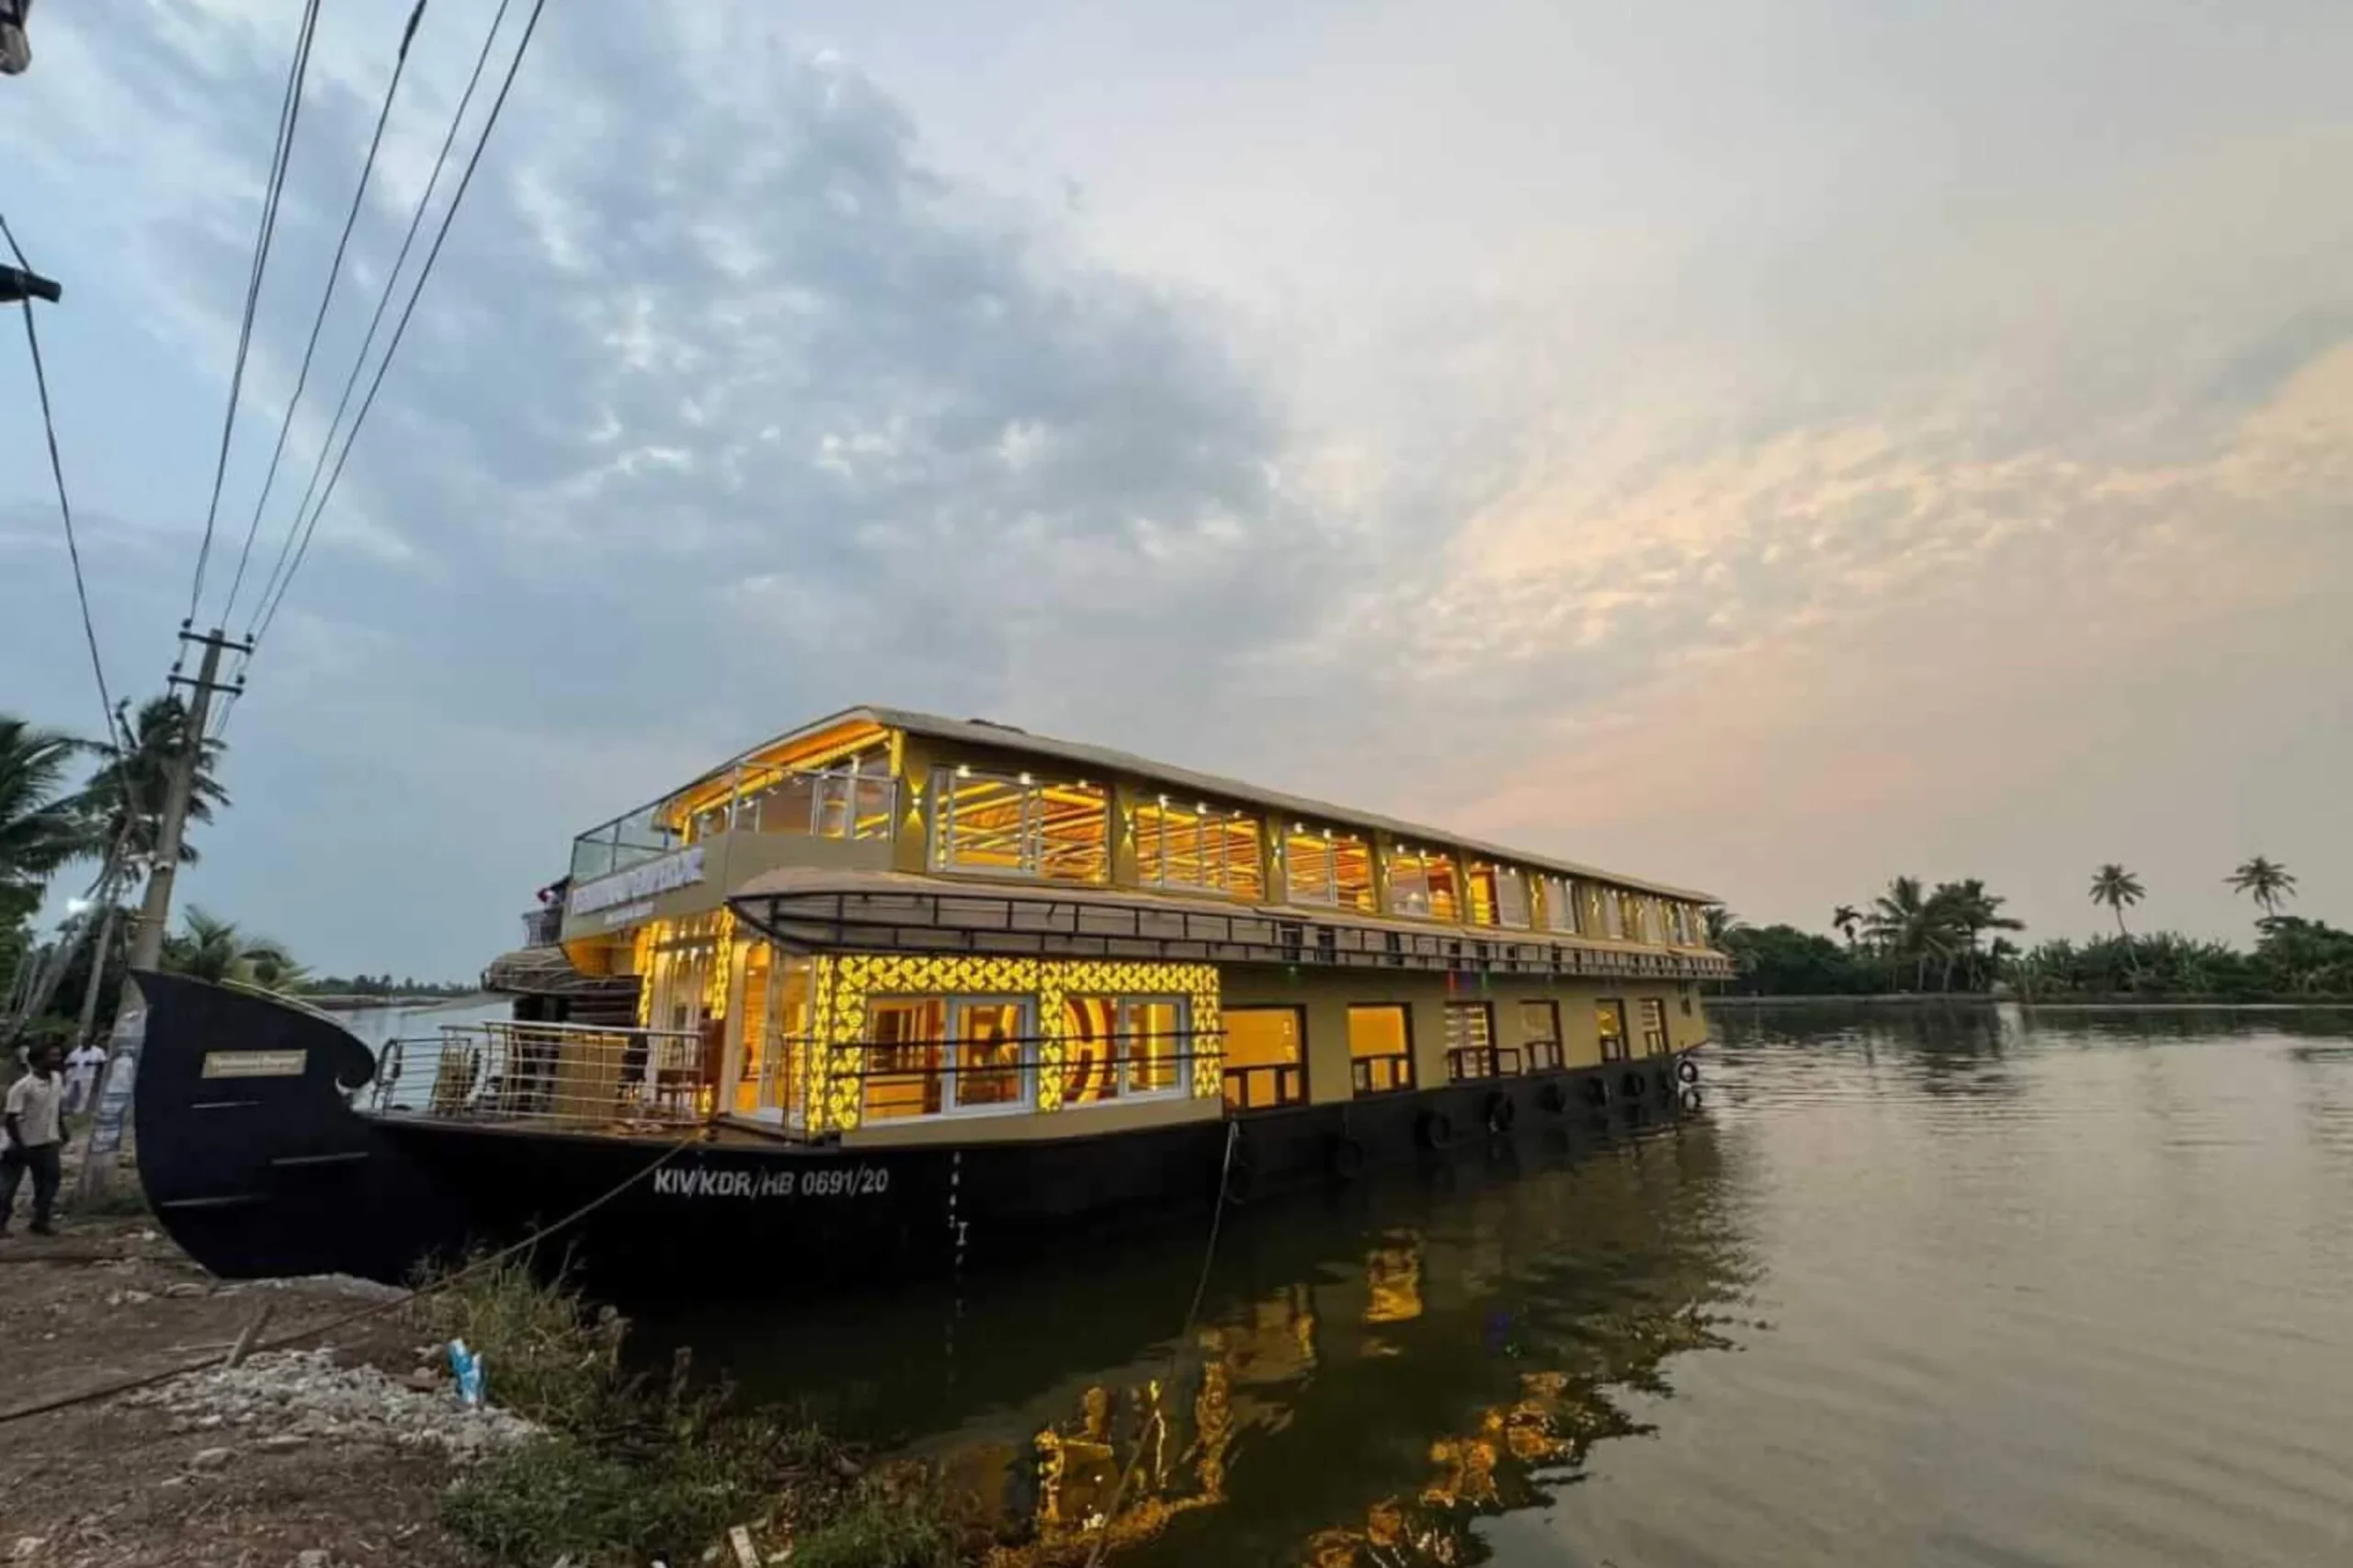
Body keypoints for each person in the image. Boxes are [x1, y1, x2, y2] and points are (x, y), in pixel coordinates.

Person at [2, 1044, 66, 1237]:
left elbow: (56, 1105)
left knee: (50, 1182)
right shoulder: (23, 1087)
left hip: (48, 1141)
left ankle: (40, 1220)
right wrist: (20, 1144)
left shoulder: (57, 1079)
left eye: (58, 1055)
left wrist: (62, 1129)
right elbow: (11, 1119)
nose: (58, 1059)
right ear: (38, 1061)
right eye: (52, 1055)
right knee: (8, 1186)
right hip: (23, 1143)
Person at [63, 1039, 107, 1116]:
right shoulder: (76, 1051)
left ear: (91, 1043)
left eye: (87, 1042)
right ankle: (66, 1108)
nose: (85, 1044)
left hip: (88, 1075)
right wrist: (72, 1064)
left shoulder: (98, 1051)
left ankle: (80, 1110)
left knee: (84, 1094)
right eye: (83, 1043)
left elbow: (103, 1062)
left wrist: (93, 1063)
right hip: (74, 1074)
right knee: (67, 1093)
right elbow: (67, 1063)